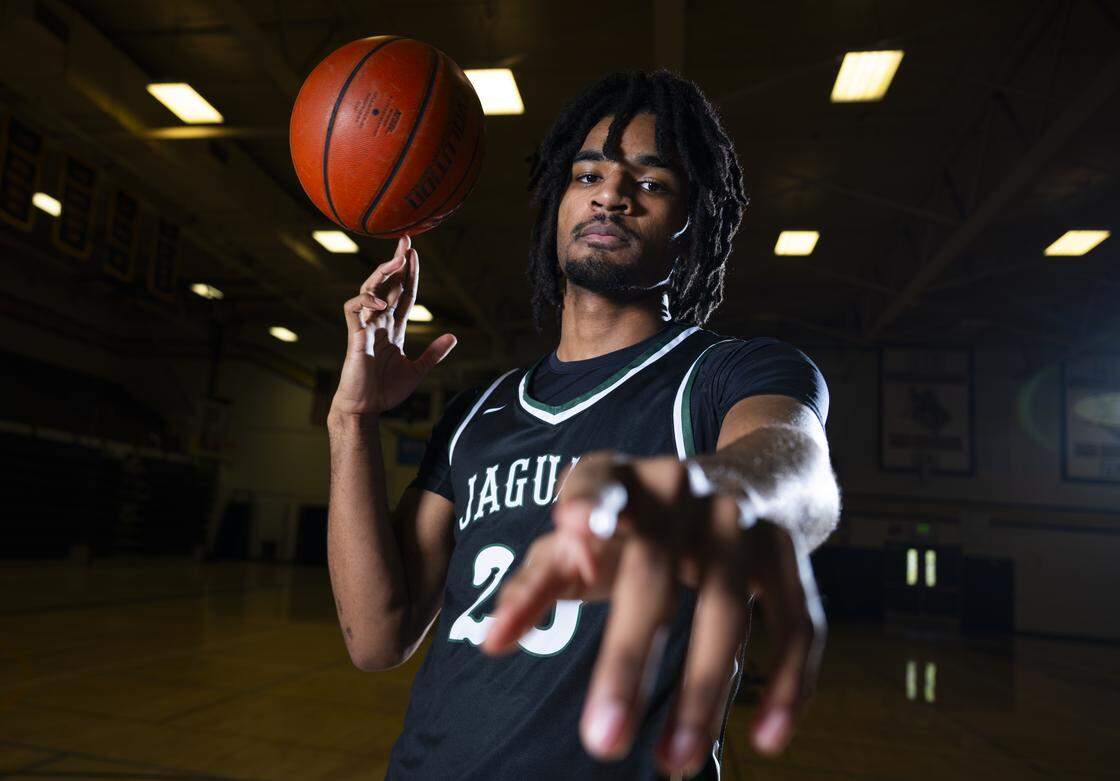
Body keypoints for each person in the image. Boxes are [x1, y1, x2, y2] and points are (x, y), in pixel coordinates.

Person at [327, 69, 841, 780]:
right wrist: (351, 419)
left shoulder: (728, 376)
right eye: (587, 173)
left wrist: (720, 494)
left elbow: (797, 469)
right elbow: (375, 637)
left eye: (652, 183)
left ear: (691, 226)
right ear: (557, 204)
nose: (612, 193)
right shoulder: (477, 413)